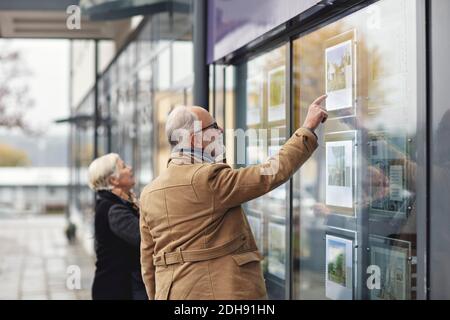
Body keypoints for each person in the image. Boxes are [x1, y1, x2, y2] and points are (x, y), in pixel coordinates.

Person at [139, 95, 328, 300]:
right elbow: (269, 173)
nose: (220, 130)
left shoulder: (149, 193)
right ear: (192, 138)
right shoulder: (207, 179)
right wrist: (307, 130)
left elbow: (148, 262)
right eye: (213, 126)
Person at [88, 153, 148, 300]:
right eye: (124, 166)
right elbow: (144, 237)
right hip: (117, 290)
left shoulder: (118, 203)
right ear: (113, 180)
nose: (130, 168)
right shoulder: (114, 209)